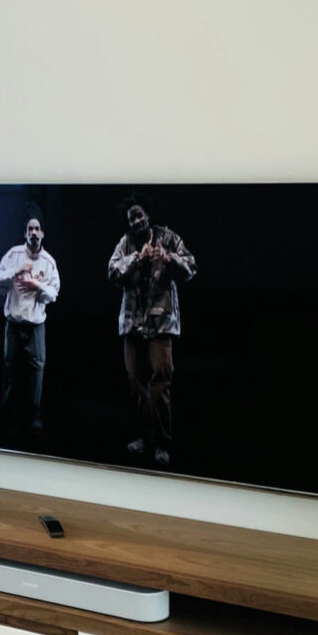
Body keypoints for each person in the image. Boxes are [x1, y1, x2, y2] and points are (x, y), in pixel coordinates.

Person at [107, 199, 196, 466]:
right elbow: (112, 272)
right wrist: (138, 258)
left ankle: (161, 443)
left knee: (160, 381)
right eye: (131, 218)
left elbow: (191, 267)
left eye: (139, 216)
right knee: (135, 381)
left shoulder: (167, 237)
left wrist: (168, 258)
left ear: (148, 215)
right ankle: (142, 436)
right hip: (132, 322)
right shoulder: (126, 243)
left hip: (160, 321)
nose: (136, 222)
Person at [0, 213, 61, 440]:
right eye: (30, 229)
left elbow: (54, 293)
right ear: (25, 233)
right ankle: (8, 417)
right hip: (13, 324)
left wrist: (36, 285)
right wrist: (15, 272)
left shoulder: (49, 262)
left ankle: (34, 417)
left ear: (43, 233)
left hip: (35, 326)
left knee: (36, 372)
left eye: (37, 229)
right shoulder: (13, 255)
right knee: (10, 369)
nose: (33, 233)